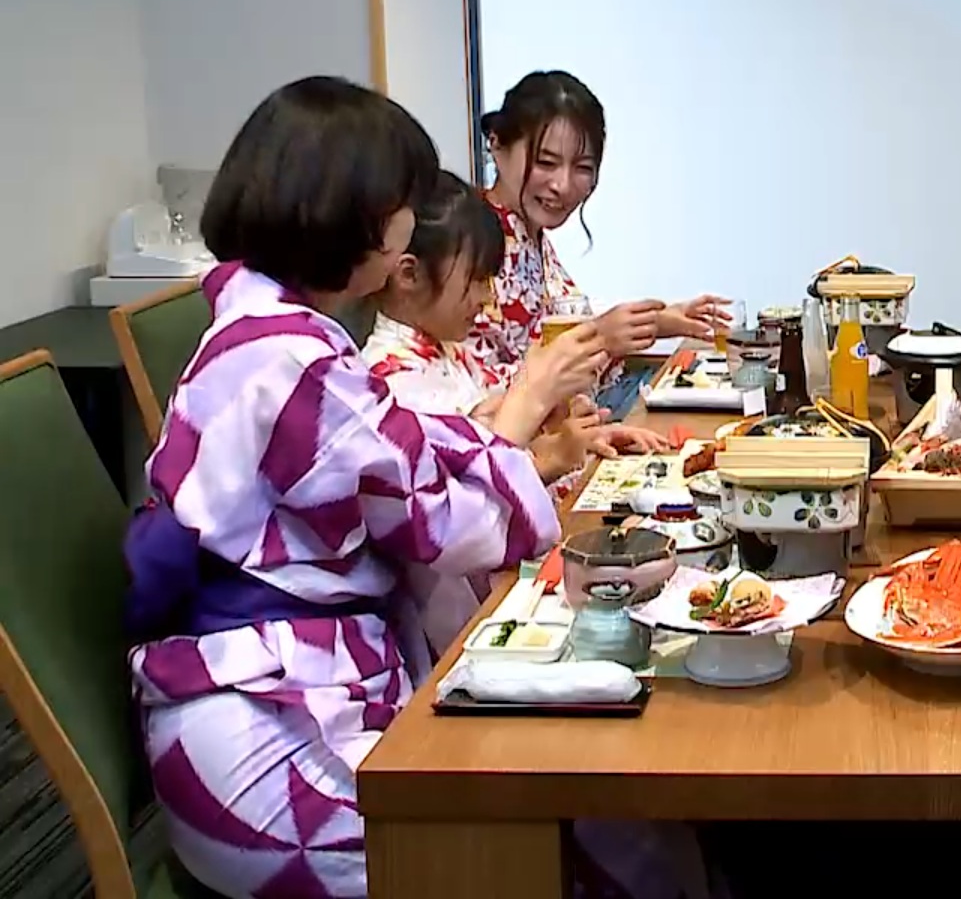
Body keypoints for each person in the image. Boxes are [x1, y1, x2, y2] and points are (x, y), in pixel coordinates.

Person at [121, 77, 611, 896]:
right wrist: (522, 410)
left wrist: (508, 425)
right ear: (356, 215)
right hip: (254, 740)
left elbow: (400, 444)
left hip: (274, 688)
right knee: (520, 851)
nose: (411, 221)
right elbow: (449, 520)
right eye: (403, 201)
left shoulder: (274, 334)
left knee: (557, 803)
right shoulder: (291, 366)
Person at [362, 168, 673, 660]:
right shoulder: (388, 380)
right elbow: (461, 510)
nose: (487, 300)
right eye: (476, 281)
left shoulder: (447, 351)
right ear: (408, 274)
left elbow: (492, 440)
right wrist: (545, 438)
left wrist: (575, 439)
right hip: (459, 620)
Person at [469, 71, 731, 401]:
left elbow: (553, 326)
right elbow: (480, 384)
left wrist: (657, 320)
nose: (562, 186)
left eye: (582, 167)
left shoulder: (527, 232)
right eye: (545, 162)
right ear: (496, 144)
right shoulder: (472, 240)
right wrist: (600, 339)